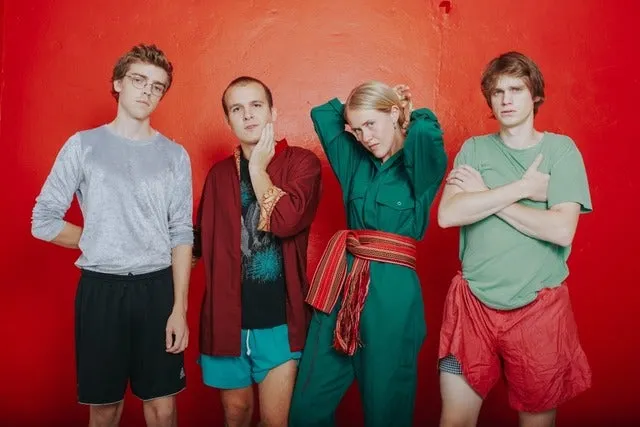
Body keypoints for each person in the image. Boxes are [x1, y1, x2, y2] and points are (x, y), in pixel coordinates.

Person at [31, 44, 192, 427]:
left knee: (163, 408)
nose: (147, 91)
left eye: (157, 86)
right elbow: (43, 220)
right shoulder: (83, 145)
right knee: (105, 410)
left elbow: (181, 231)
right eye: (139, 80)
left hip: (157, 291)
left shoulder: (174, 155)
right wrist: (100, 238)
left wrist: (179, 308)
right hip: (101, 291)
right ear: (118, 83)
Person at [437, 51, 592, 427]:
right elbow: (448, 215)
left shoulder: (561, 151)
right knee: (454, 421)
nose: (505, 100)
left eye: (516, 90)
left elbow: (561, 229)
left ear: (535, 94)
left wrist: (485, 194)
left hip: (540, 310)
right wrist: (523, 189)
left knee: (536, 423)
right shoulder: (474, 149)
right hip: (471, 307)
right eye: (497, 92)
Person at [289, 81, 447, 427]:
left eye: (371, 125)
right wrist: (362, 114)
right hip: (341, 285)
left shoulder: (420, 166)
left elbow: (426, 133)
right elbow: (322, 115)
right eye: (357, 129)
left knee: (387, 412)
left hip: (392, 295)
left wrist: (409, 111)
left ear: (394, 114)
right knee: (306, 410)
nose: (365, 137)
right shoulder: (354, 162)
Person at [193, 76, 322, 427]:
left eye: (256, 105)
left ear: (272, 112)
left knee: (275, 422)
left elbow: (285, 222)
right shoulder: (219, 175)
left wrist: (257, 169)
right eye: (237, 109)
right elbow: (199, 242)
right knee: (235, 415)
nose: (247, 115)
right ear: (228, 120)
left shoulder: (301, 163)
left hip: (280, 320)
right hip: (225, 321)